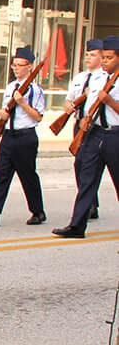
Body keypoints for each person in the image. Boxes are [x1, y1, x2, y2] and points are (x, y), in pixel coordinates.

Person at [53, 35, 119, 239]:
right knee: (86, 179)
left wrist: (109, 101)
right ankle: (77, 225)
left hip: (115, 135)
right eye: (104, 57)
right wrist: (85, 120)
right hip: (95, 134)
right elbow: (90, 106)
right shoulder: (98, 79)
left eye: (109, 58)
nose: (105, 61)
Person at [0, 47, 46, 228]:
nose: (16, 68)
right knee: (2, 176)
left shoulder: (35, 90)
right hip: (8, 135)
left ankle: (38, 211)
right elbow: (4, 108)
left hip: (25, 136)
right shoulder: (11, 87)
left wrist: (22, 102)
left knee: (28, 175)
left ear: (30, 66)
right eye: (14, 65)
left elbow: (38, 116)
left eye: (20, 65)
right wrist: (2, 113)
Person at [64, 39, 104, 222]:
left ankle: (89, 205)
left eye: (93, 54)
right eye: (87, 54)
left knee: (87, 165)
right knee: (80, 165)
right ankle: (91, 203)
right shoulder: (80, 77)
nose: (88, 58)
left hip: (95, 125)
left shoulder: (104, 77)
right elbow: (69, 99)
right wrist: (69, 106)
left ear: (102, 57)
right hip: (79, 124)